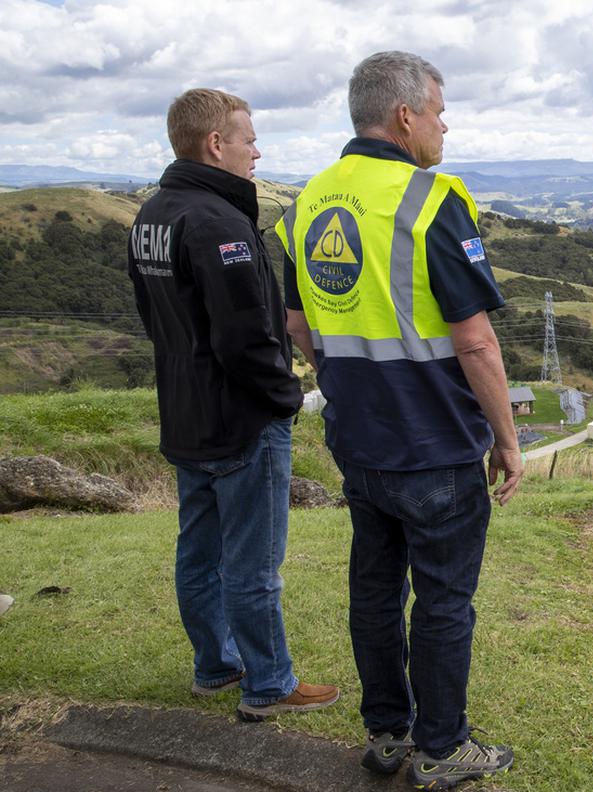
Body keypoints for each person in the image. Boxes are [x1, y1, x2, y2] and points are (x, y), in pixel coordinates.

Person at [276, 51, 523, 788]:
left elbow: (296, 323)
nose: (445, 128)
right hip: (437, 444)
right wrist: (507, 439)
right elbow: (474, 338)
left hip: (360, 442)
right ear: (406, 116)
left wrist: (344, 378)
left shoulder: (307, 204)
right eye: (440, 113)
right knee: (444, 601)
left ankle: (388, 734)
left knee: (376, 592)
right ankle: (443, 749)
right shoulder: (430, 198)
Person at [127, 88, 339, 721]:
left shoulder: (153, 215)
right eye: (248, 139)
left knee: (198, 552)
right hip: (241, 420)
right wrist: (283, 398)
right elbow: (244, 334)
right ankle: (269, 683)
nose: (257, 150)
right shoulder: (220, 223)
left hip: (185, 412)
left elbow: (158, 320)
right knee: (253, 563)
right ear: (216, 144)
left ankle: (215, 666)